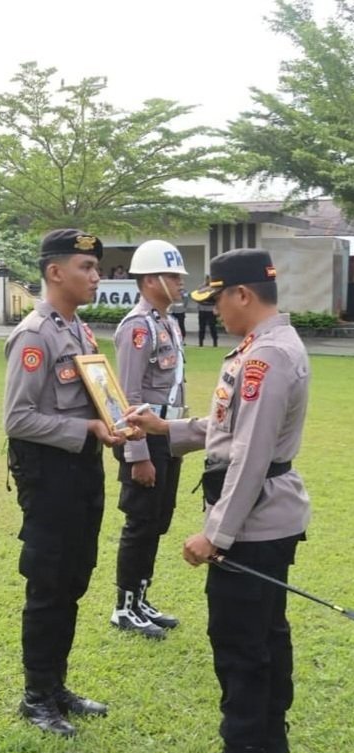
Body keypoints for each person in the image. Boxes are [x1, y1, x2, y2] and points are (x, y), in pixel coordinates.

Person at [128, 248, 310, 753]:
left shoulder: (267, 356)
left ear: (243, 294)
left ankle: (250, 741)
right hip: (266, 521)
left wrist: (215, 534)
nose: (214, 311)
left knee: (242, 647)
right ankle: (270, 736)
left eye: (218, 299)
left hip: (253, 528)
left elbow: (250, 455)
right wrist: (168, 428)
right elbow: (232, 428)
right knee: (266, 636)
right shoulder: (264, 345)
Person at [3, 228, 135, 738]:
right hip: (50, 477)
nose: (97, 276)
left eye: (97, 267)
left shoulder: (77, 331)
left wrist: (112, 421)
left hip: (82, 470)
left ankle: (56, 686)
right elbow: (17, 418)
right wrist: (86, 427)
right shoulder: (35, 334)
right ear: (55, 271)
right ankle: (36, 696)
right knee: (48, 585)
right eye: (87, 267)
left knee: (74, 579)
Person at [109, 239, 188, 639]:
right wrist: (137, 454)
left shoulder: (168, 321)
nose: (179, 283)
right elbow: (127, 397)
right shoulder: (138, 327)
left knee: (157, 521)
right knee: (140, 523)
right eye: (173, 276)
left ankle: (140, 598)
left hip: (168, 436)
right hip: (145, 438)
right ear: (151, 279)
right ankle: (123, 607)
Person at [198, 276, 220, 347]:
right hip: (202, 309)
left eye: (209, 280)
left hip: (211, 310)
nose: (208, 281)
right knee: (202, 327)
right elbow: (198, 293)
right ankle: (201, 343)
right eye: (207, 279)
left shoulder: (214, 288)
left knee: (212, 327)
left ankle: (215, 342)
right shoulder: (201, 287)